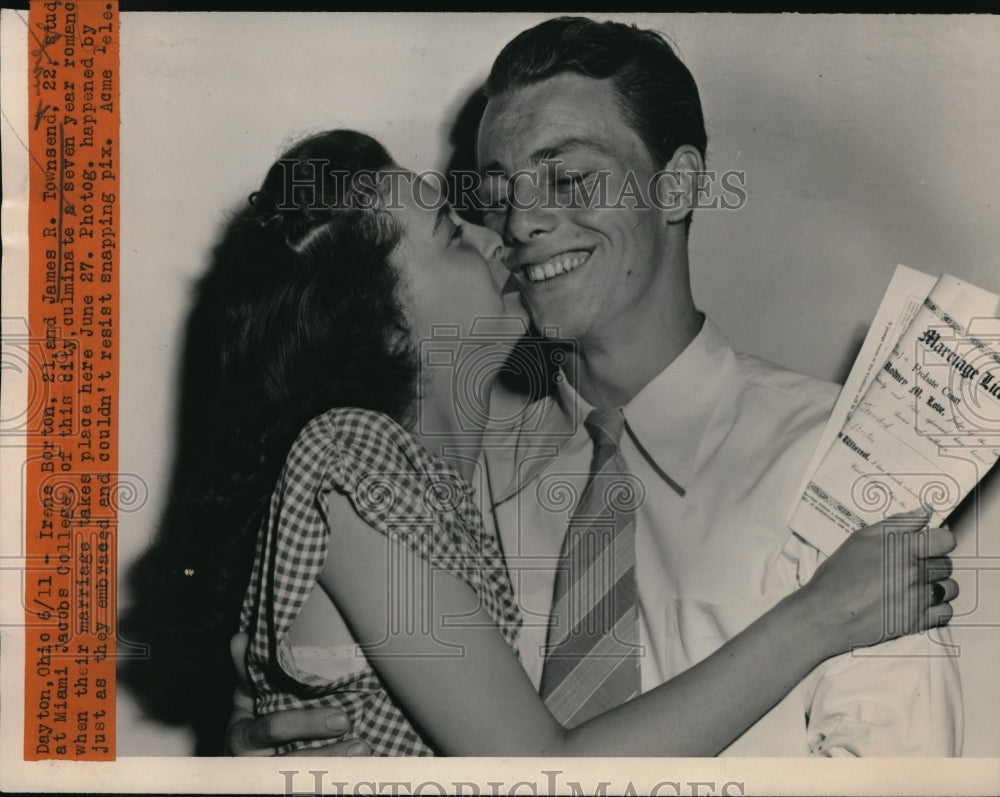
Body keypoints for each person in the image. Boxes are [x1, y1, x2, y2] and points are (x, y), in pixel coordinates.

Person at [227, 18, 965, 757]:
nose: (517, 224)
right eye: (493, 196)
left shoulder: (846, 461)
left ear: (676, 185)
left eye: (570, 178)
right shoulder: (446, 486)